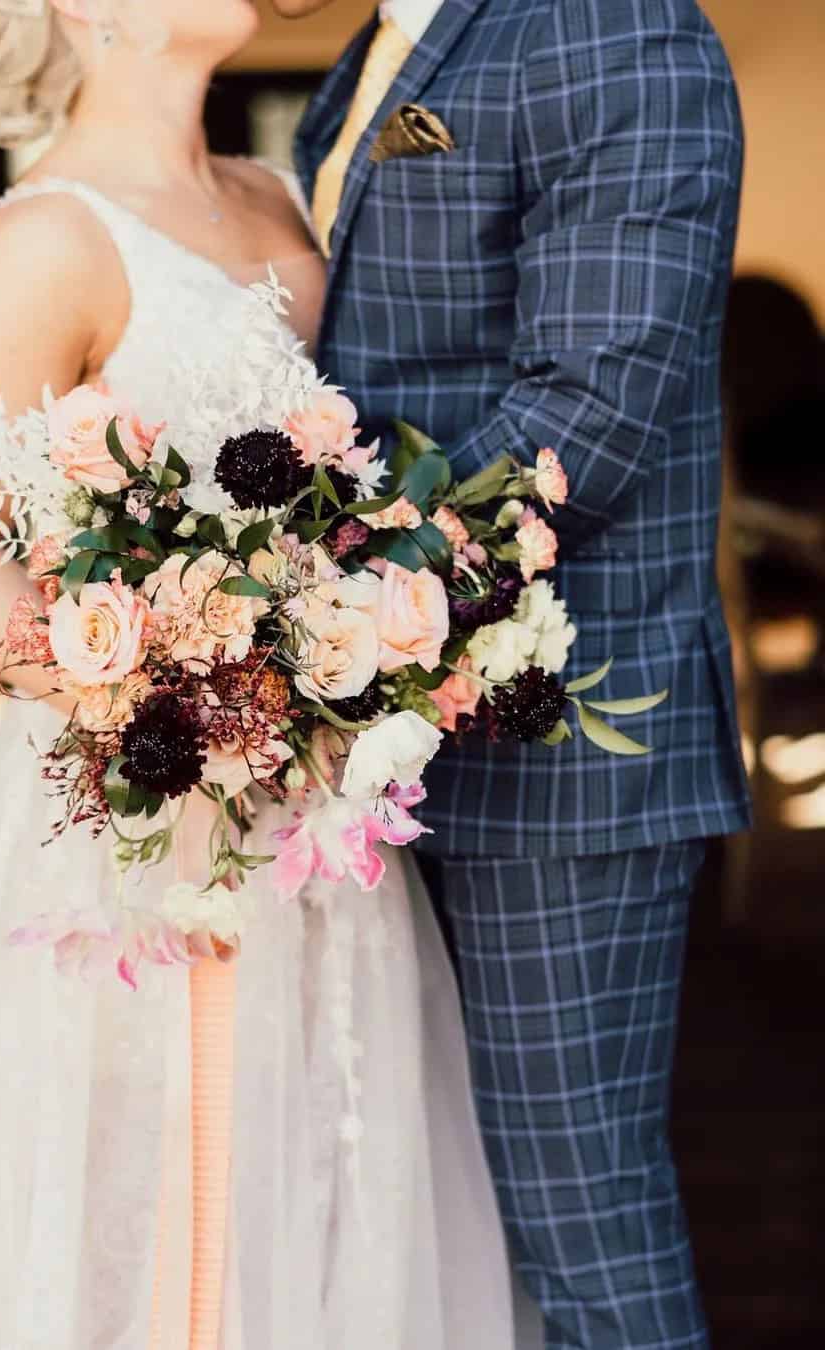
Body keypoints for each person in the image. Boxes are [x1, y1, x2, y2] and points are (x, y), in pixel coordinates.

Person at [0, 3, 534, 1348]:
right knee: (142, 1190)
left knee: (326, 1164)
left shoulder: (282, 188)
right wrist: (140, 699)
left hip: (328, 812)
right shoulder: (47, 237)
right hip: (149, 825)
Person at [274, 0, 753, 1346]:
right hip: (375, 751)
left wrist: (320, 622)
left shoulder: (614, 29)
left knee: (578, 1221)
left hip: (553, 760)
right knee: (434, 1214)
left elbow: (583, 420)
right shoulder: (379, 46)